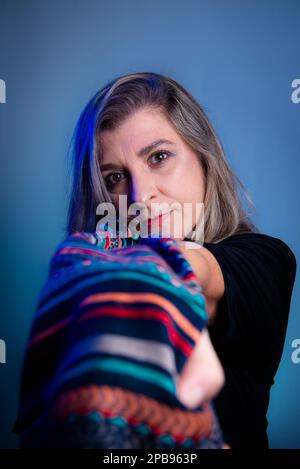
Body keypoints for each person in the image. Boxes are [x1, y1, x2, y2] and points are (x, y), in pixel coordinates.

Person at [15, 71, 296, 449]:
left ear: (203, 157)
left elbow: (195, 274)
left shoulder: (263, 259)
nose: (140, 194)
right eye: (115, 177)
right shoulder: (77, 288)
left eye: (159, 157)